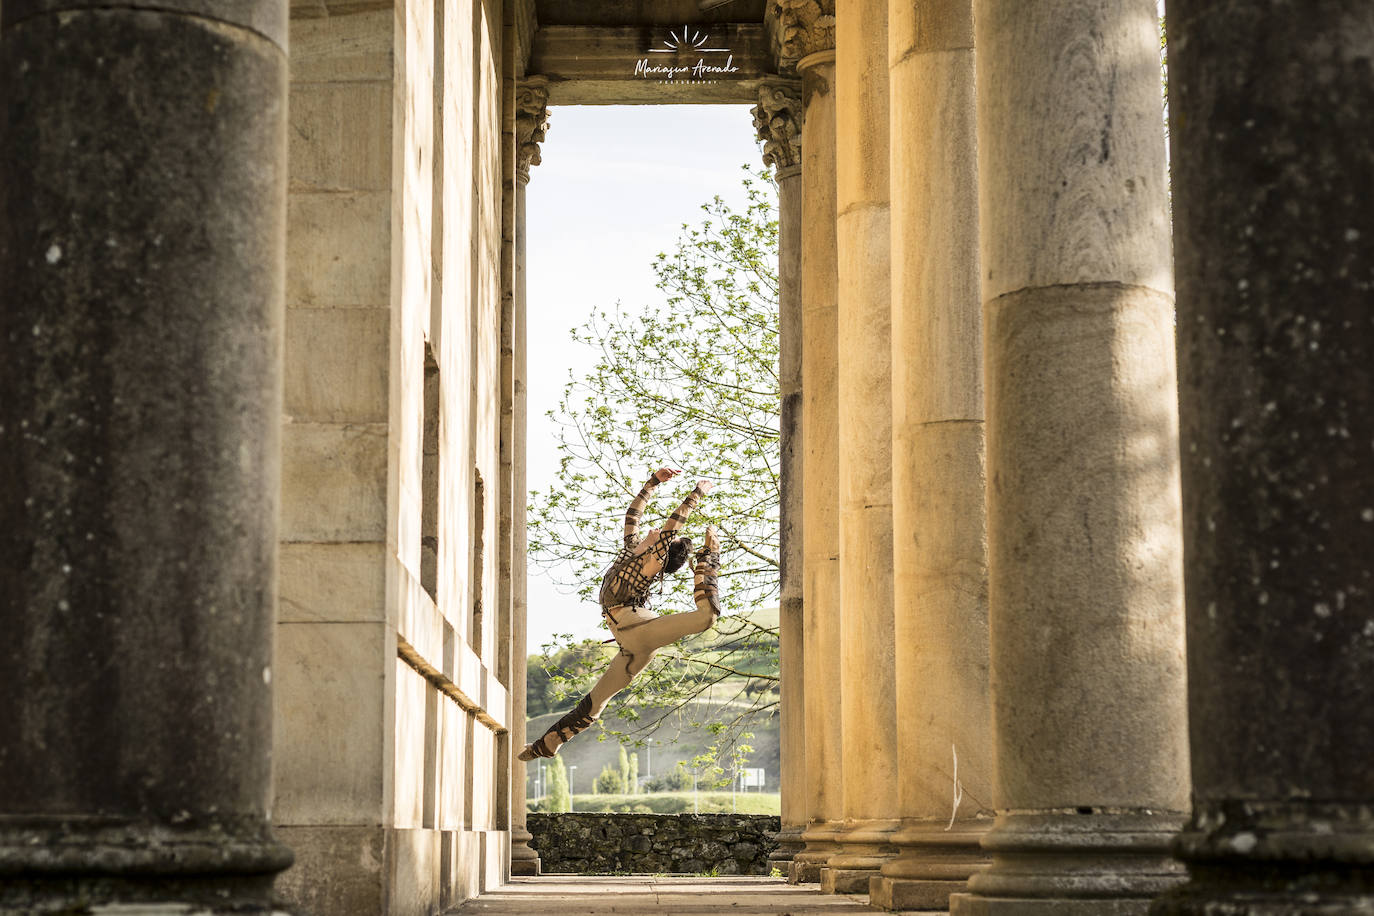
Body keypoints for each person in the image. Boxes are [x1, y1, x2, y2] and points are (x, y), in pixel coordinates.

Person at [518, 467, 722, 761]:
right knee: (598, 700)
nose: (653, 530)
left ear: (662, 553)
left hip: (639, 629)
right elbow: (632, 515)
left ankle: (708, 561)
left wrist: (696, 493)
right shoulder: (632, 551)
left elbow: (670, 527)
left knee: (705, 618)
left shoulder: (650, 561)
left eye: (661, 537)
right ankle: (549, 742)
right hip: (631, 641)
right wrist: (653, 483)